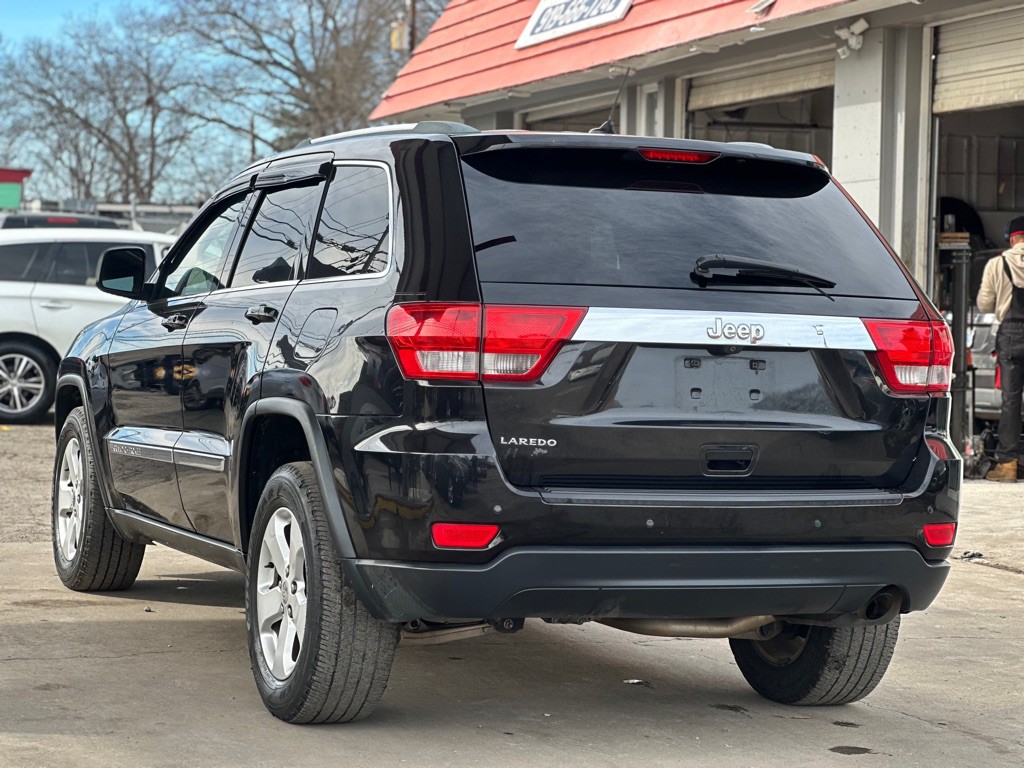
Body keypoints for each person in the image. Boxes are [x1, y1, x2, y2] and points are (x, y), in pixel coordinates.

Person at [977, 215, 1024, 481]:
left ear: (1012, 237)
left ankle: (1007, 465)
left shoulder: (998, 264)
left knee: (1011, 402)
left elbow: (984, 305)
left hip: (1012, 336)